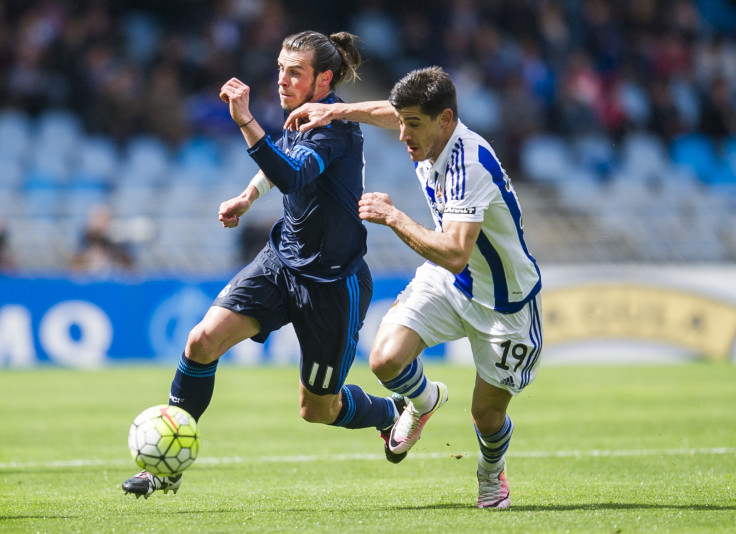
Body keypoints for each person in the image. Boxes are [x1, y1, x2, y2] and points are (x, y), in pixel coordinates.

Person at [122, 30, 407, 499]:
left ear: (324, 80)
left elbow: (294, 172)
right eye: (279, 68)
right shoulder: (300, 118)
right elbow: (280, 158)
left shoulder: (337, 127)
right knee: (201, 341)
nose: (282, 79)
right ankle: (165, 467)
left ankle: (390, 412)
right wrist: (248, 195)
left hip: (332, 283)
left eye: (294, 72)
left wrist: (245, 121)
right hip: (280, 262)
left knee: (318, 409)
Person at [285, 66, 543, 509]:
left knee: (486, 415)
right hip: (451, 282)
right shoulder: (427, 131)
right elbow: (390, 113)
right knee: (384, 359)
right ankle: (423, 403)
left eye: (413, 124)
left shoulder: (470, 163)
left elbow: (456, 251)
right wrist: (334, 112)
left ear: (445, 119)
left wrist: (393, 216)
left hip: (504, 302)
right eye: (402, 122)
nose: (403, 134)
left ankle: (490, 472)